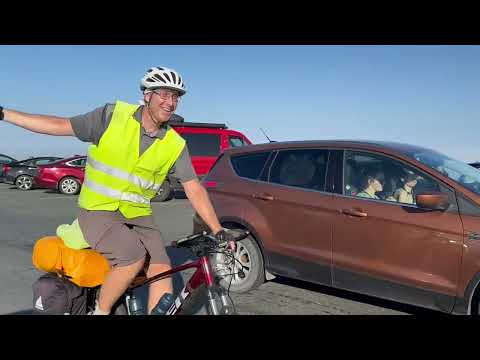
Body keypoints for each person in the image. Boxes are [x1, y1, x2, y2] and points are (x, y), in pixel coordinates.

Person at [0, 66, 236, 315]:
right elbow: (59, 125)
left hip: (137, 213)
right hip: (97, 209)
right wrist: (5, 114)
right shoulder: (112, 116)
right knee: (131, 256)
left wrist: (217, 229)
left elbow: (193, 187)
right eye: (164, 95)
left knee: (160, 265)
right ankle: (101, 311)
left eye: (176, 97)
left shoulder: (175, 144)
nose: (170, 102)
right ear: (147, 95)